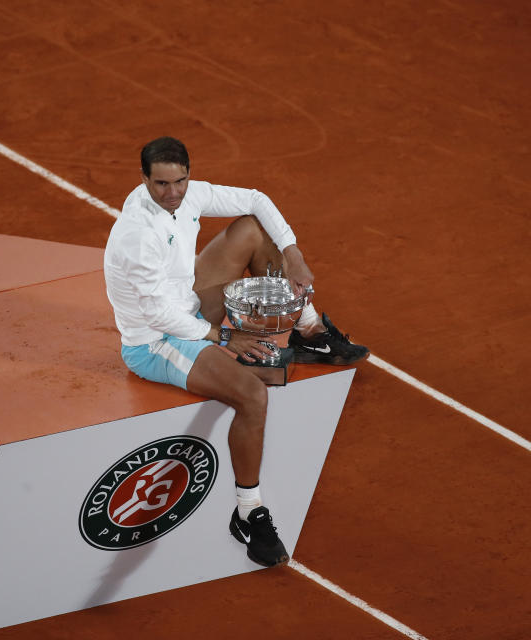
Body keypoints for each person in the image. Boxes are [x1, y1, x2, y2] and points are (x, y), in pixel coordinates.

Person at [103, 136, 368, 567]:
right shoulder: (137, 235)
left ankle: (309, 330)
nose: (172, 193)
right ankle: (249, 512)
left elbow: (256, 199)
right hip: (156, 342)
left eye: (180, 181)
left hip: (186, 302)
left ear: (189, 173)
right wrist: (224, 338)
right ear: (143, 180)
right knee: (252, 396)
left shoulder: (187, 197)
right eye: (161, 184)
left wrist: (292, 252)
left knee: (250, 229)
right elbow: (157, 316)